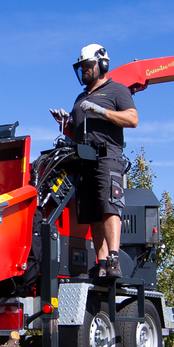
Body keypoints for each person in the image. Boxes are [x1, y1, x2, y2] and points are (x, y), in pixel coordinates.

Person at [52, 43, 138, 279]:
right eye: (82, 68)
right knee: (91, 212)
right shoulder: (80, 98)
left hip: (107, 158)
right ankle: (101, 263)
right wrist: (64, 124)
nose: (85, 71)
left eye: (88, 66)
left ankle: (113, 259)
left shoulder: (117, 90)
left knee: (109, 206)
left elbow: (133, 119)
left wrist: (101, 111)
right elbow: (75, 132)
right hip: (84, 160)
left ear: (102, 64)